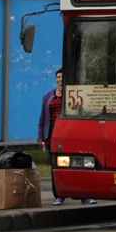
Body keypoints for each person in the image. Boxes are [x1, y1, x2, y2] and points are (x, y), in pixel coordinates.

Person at [38, 68, 96, 206]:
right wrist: (40, 136)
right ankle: (59, 196)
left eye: (62, 77)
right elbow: (43, 117)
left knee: (79, 164)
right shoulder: (48, 95)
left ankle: (84, 195)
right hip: (53, 133)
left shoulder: (74, 94)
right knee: (55, 166)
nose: (59, 80)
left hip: (71, 132)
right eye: (58, 77)